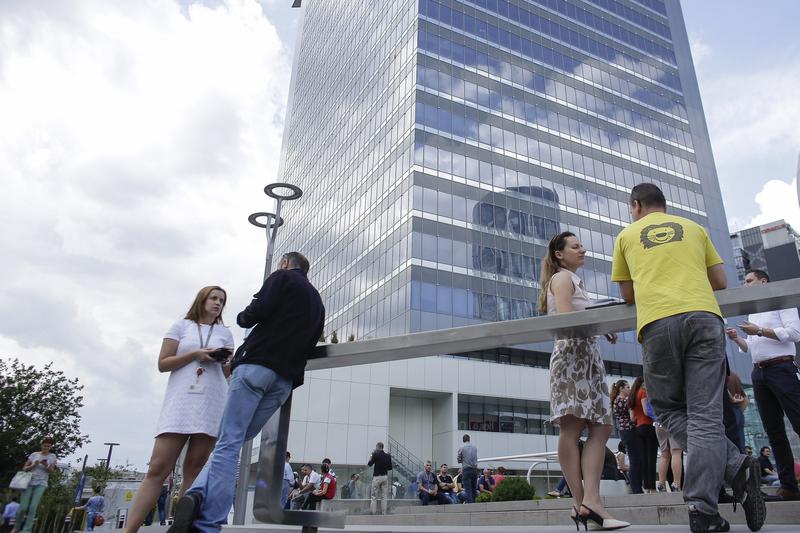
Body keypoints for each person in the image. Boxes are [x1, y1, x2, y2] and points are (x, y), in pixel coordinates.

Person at [611, 183, 763, 533]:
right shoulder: (694, 229)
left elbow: (628, 292)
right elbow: (721, 280)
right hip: (704, 318)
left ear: (636, 206)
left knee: (664, 409)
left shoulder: (626, 236)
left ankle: (736, 467)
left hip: (658, 323)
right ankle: (704, 507)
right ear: (665, 206)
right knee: (707, 416)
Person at [169, 252, 325, 533]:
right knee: (236, 441)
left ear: (286, 264)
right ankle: (196, 495)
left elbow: (254, 313)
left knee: (228, 441)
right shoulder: (317, 302)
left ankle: (207, 523)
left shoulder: (282, 277)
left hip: (257, 367)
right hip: (284, 382)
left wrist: (242, 316)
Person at [126, 286, 234, 533]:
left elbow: (226, 372)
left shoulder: (224, 333)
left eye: (222, 301)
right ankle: (129, 529)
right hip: (181, 401)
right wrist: (196, 354)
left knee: (195, 468)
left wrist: (226, 360)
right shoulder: (181, 326)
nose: (218, 304)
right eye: (214, 298)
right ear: (202, 299)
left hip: (211, 400)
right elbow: (163, 363)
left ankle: (183, 527)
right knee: (158, 467)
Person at [539, 232, 629, 530]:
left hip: (587, 358)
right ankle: (585, 502)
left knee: (600, 426)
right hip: (572, 359)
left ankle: (588, 502)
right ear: (559, 254)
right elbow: (568, 319)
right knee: (573, 426)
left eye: (582, 245)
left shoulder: (574, 281)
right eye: (575, 246)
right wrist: (598, 323)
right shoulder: (562, 279)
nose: (583, 250)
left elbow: (579, 316)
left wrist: (601, 326)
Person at [726, 268, 800, 501]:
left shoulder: (781, 302)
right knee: (774, 432)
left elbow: (795, 333)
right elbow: (753, 347)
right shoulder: (755, 310)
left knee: (798, 422)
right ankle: (789, 486)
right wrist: (739, 339)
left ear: (763, 281)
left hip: (782, 368)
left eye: (749, 281)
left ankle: (789, 484)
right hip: (760, 372)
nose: (746, 285)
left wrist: (758, 330)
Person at [13, 437, 58, 533]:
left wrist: (46, 465)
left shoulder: (52, 456)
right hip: (28, 482)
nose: (46, 447)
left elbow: (52, 471)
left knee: (33, 507)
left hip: (41, 483)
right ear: (41, 445)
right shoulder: (34, 455)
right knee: (23, 507)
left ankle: (26, 530)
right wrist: (34, 465)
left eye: (48, 446)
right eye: (45, 445)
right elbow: (24, 468)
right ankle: (16, 527)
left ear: (51, 447)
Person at [611, 379, 642, 493]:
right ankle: (637, 488)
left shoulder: (616, 400)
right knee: (635, 459)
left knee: (634, 458)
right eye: (627, 387)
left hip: (624, 431)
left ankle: (637, 488)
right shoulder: (622, 400)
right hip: (629, 430)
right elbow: (632, 417)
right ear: (621, 389)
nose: (630, 389)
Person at [629, 377, 657, 493]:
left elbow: (632, 418)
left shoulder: (632, 397)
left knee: (644, 458)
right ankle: (651, 487)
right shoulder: (643, 393)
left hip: (639, 427)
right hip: (648, 426)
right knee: (651, 458)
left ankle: (646, 487)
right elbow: (646, 411)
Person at [655, 423, 682, 493]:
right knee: (676, 452)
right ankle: (676, 484)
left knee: (664, 455)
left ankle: (661, 484)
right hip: (674, 422)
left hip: (659, 424)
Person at [725, 373, 749, 453]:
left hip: (727, 411)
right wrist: (739, 412)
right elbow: (745, 399)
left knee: (729, 446)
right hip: (738, 411)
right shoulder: (735, 376)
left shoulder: (720, 374)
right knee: (740, 444)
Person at [368, 441, 392, 515]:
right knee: (384, 496)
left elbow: (369, 464)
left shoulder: (375, 454)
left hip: (377, 477)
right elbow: (390, 468)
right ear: (382, 447)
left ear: (377, 447)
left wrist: (371, 455)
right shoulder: (388, 456)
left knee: (374, 496)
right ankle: (384, 512)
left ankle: (373, 512)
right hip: (385, 477)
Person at [456, 434, 478, 503]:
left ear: (463, 440)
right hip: (474, 470)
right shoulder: (474, 447)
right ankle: (474, 503)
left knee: (468, 489)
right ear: (469, 439)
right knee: (474, 489)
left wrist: (462, 460)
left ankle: (470, 505)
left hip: (466, 470)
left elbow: (458, 459)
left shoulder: (462, 447)